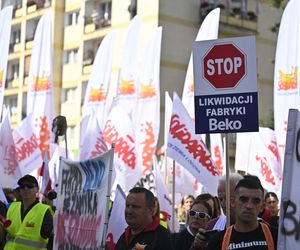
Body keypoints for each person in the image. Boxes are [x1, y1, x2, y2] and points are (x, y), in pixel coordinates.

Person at [204, 175, 278, 250]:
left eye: (256, 201)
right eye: (243, 199)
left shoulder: (276, 237)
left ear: (262, 206)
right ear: (233, 202)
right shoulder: (218, 241)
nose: (249, 206)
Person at [2, 175, 53, 250]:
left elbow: (52, 240)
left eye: (30, 186)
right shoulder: (12, 207)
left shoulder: (44, 211)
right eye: (22, 186)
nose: (26, 188)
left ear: (37, 189)